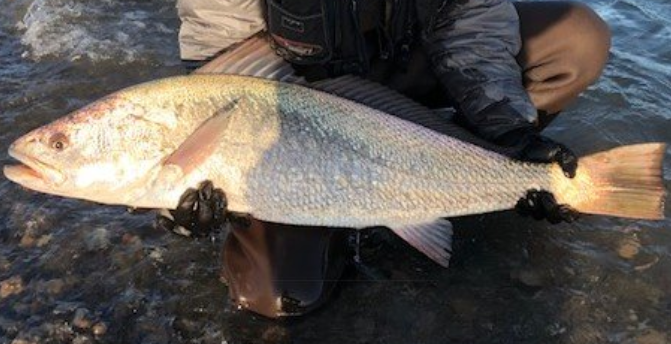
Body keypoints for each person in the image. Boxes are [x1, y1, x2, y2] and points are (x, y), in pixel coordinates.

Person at [160, 0, 611, 318]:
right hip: (302, 110)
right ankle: (410, 192)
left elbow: (472, 22)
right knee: (278, 296)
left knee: (577, 39)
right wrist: (180, 196)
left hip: (411, 69)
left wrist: (511, 132)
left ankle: (472, 176)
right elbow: (221, 74)